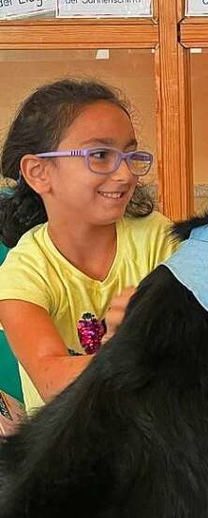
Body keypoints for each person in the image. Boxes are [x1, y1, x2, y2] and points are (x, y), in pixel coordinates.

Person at [0, 79, 178, 416]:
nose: (126, 174)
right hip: (67, 444)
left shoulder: (157, 237)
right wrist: (128, 346)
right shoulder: (24, 272)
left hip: (151, 434)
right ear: (38, 172)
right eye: (100, 155)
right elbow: (50, 380)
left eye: (130, 154)